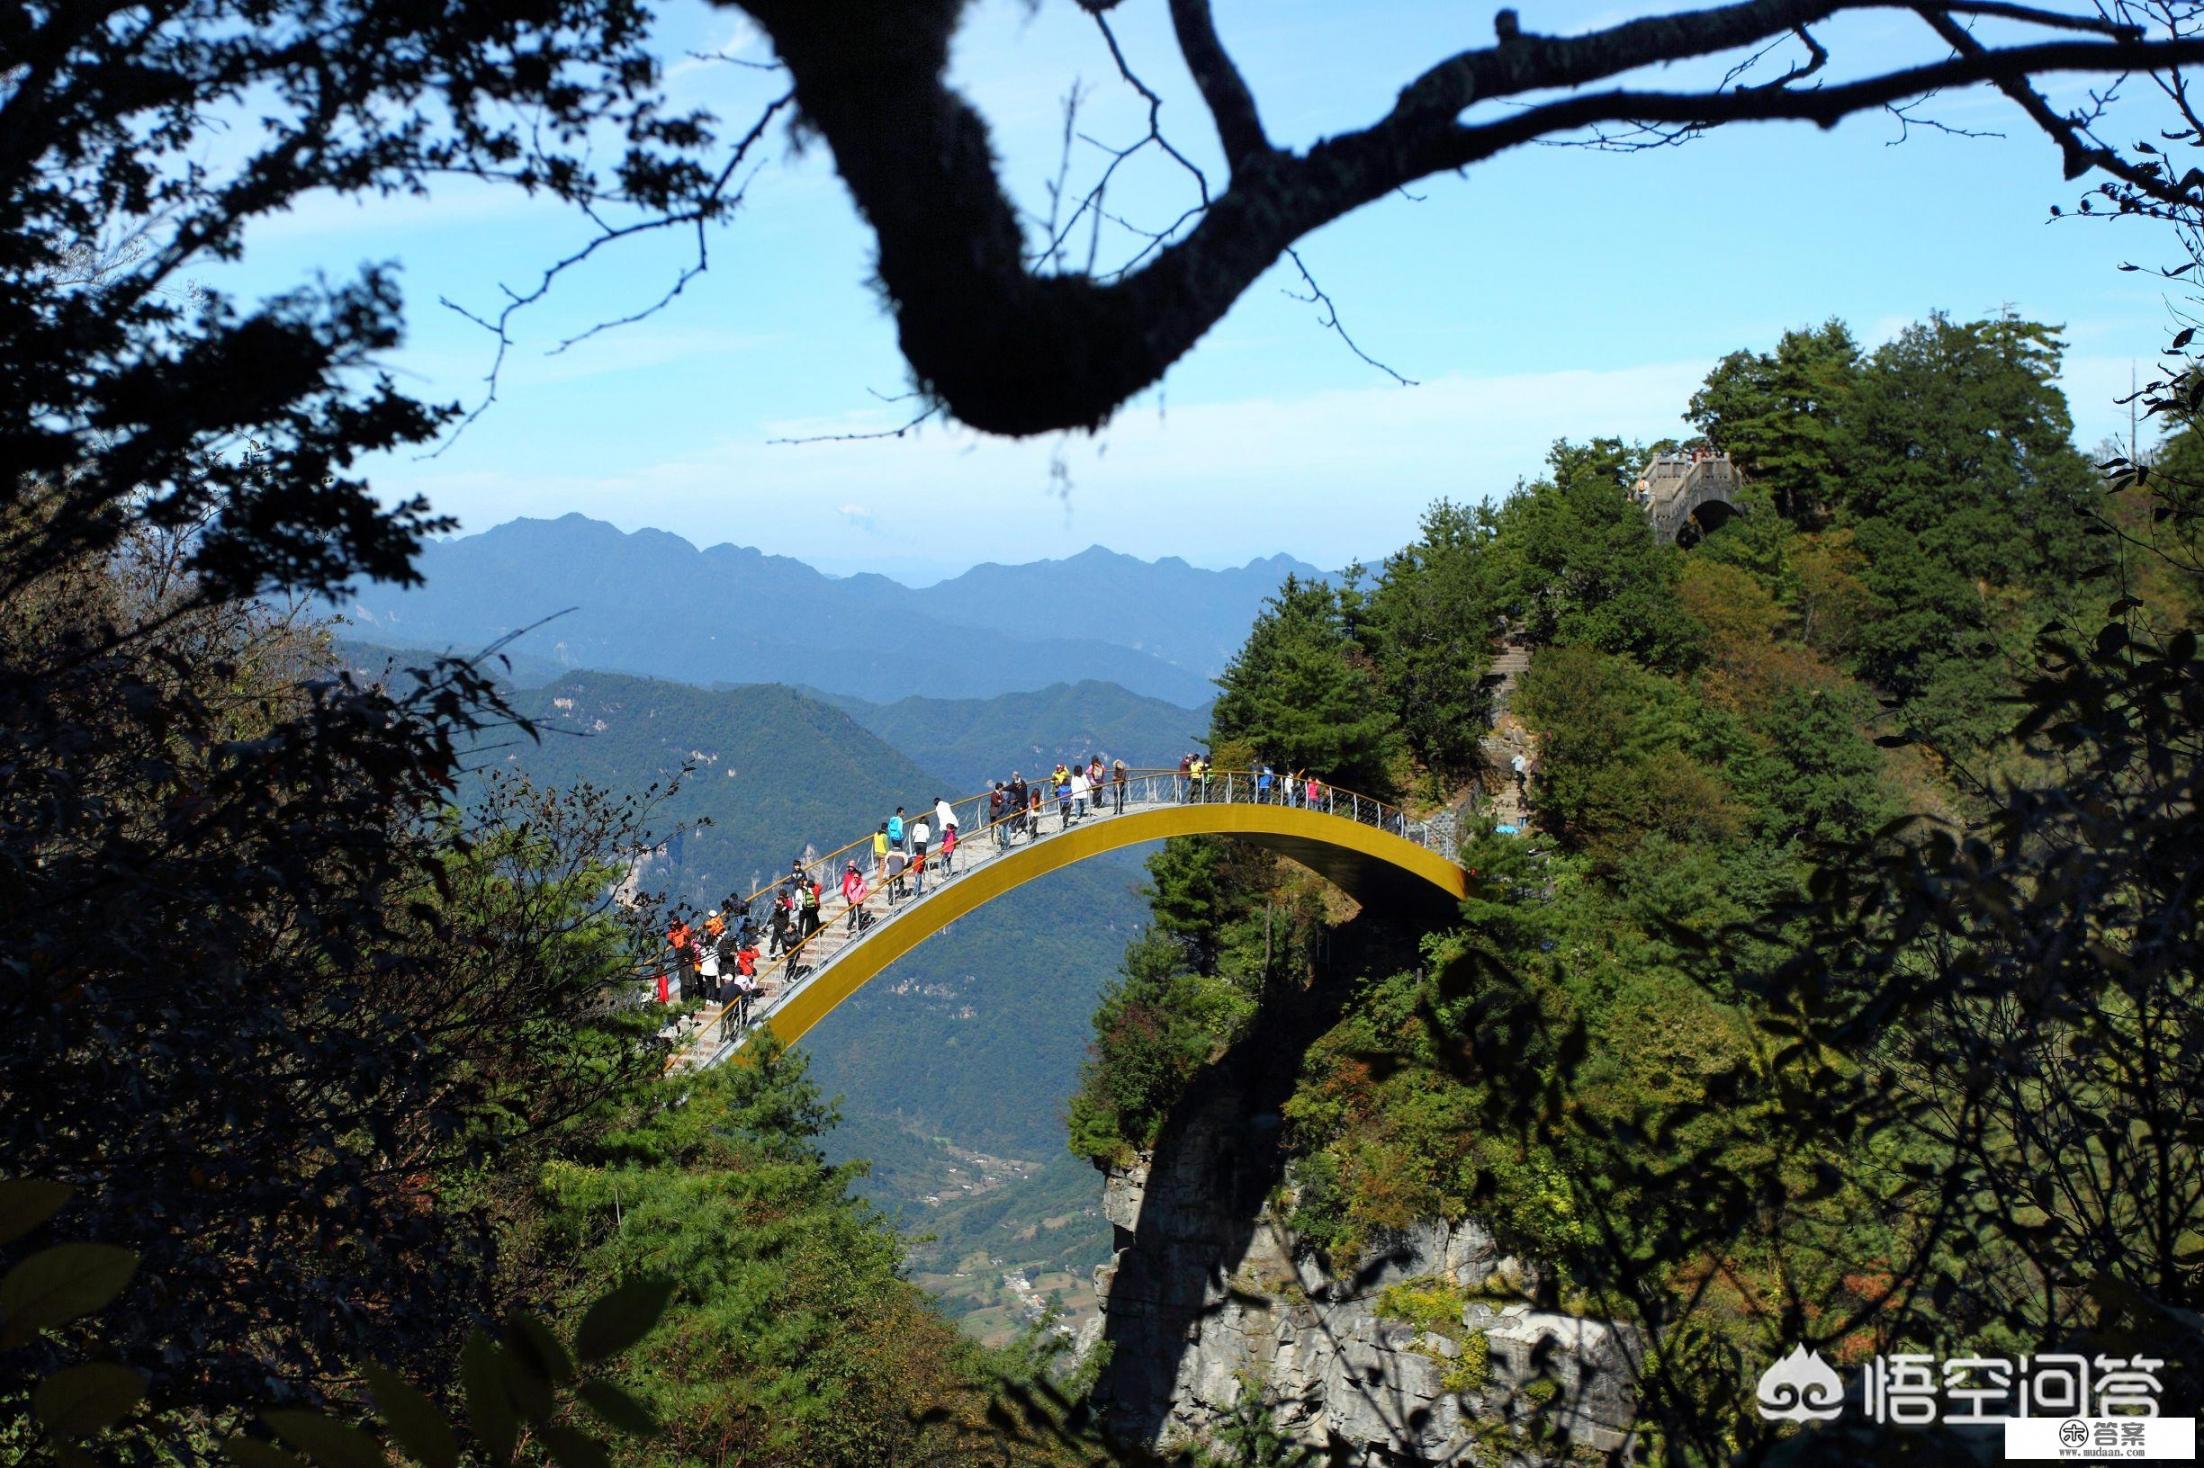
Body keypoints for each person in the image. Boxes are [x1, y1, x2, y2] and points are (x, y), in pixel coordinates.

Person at [841, 860, 870, 931]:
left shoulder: (857, 875)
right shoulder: (847, 874)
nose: (850, 868)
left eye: (851, 867)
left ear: (854, 867)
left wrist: (861, 897)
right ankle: (853, 923)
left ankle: (853, 924)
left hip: (858, 897)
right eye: (849, 867)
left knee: (856, 911)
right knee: (851, 910)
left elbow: (864, 890)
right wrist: (844, 893)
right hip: (850, 895)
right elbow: (845, 884)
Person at [989, 782, 1008, 848]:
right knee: (993, 825)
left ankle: (1000, 838)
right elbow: (996, 802)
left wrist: (1000, 800)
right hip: (994, 811)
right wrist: (1000, 801)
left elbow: (1002, 800)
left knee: (999, 825)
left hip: (999, 811)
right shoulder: (993, 794)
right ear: (999, 788)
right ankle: (993, 839)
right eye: (1002, 788)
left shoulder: (1000, 794)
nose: (1002, 789)